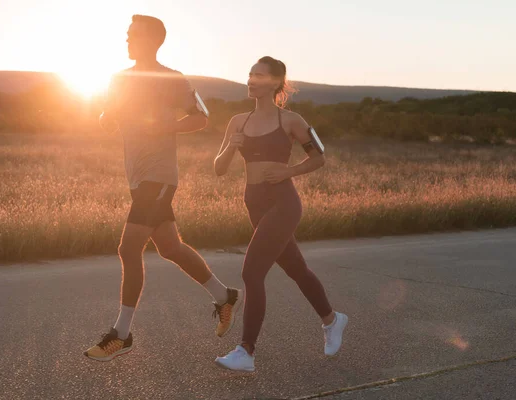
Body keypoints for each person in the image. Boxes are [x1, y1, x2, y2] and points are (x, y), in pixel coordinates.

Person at [83, 15, 241, 362]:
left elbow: (200, 117)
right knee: (170, 247)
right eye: (125, 36)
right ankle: (224, 295)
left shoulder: (171, 79)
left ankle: (121, 334)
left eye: (131, 36)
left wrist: (164, 126)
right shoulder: (118, 79)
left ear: (151, 40)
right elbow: (110, 115)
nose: (126, 41)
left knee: (128, 249)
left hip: (159, 174)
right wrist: (106, 118)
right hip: (137, 175)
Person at [213, 56, 348, 372]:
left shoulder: (290, 120)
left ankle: (246, 350)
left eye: (258, 75)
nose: (250, 79)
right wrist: (231, 147)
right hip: (254, 202)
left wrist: (288, 171)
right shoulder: (238, 121)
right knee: (297, 269)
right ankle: (331, 319)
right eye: (249, 73)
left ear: (274, 83)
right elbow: (219, 168)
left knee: (252, 273)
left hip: (283, 203)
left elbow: (319, 157)